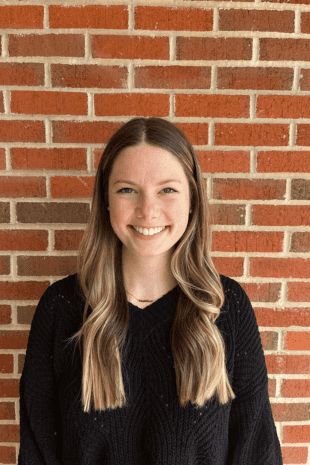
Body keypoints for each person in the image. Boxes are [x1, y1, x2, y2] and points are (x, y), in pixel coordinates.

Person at [18, 117, 283, 464]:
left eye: (167, 190)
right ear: (106, 201)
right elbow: (38, 452)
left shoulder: (225, 307)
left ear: (192, 200)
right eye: (127, 189)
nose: (148, 210)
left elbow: (255, 451)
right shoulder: (62, 308)